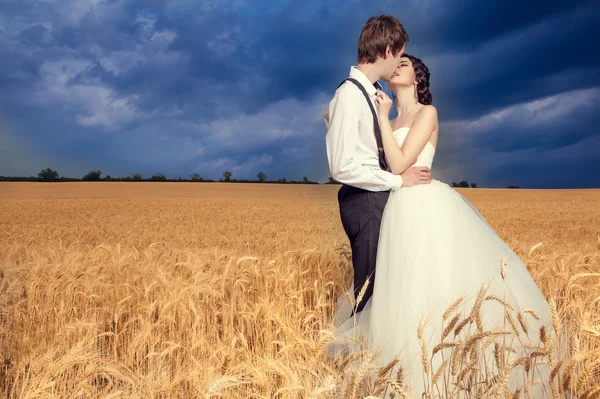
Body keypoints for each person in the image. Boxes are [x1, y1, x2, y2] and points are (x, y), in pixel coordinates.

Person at [330, 54, 553, 397]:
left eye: (405, 63)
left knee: (429, 286)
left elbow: (400, 161)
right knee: (399, 289)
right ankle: (400, 370)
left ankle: (442, 375)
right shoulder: (390, 115)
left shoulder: (426, 113)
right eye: (396, 63)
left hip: (422, 205)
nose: (397, 66)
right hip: (396, 206)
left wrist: (382, 119)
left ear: (418, 79)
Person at [325, 15, 431, 317]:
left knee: (381, 292)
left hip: (374, 198)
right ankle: (359, 360)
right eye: (398, 55)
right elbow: (341, 166)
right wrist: (399, 181)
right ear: (386, 50)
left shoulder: (369, 96)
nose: (397, 63)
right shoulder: (349, 95)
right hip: (365, 201)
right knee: (369, 295)